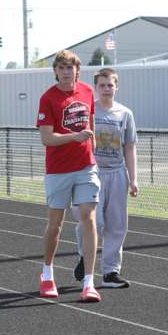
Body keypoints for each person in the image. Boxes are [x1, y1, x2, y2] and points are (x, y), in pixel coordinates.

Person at [36, 50, 102, 303]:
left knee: (88, 218)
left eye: (70, 67)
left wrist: (92, 146)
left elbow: (91, 121)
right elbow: (46, 138)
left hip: (86, 166)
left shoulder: (86, 91)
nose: (66, 72)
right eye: (61, 68)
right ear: (55, 71)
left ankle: (89, 282)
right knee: (56, 225)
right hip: (58, 170)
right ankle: (47, 272)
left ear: (77, 70)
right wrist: (74, 137)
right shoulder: (48, 98)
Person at [72, 68, 139, 288]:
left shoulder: (125, 114)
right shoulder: (89, 110)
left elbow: (129, 147)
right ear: (96, 88)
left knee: (116, 225)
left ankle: (111, 271)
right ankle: (85, 255)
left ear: (116, 86)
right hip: (92, 172)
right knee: (93, 221)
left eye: (110, 85)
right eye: (102, 85)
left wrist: (133, 178)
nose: (106, 89)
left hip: (117, 173)